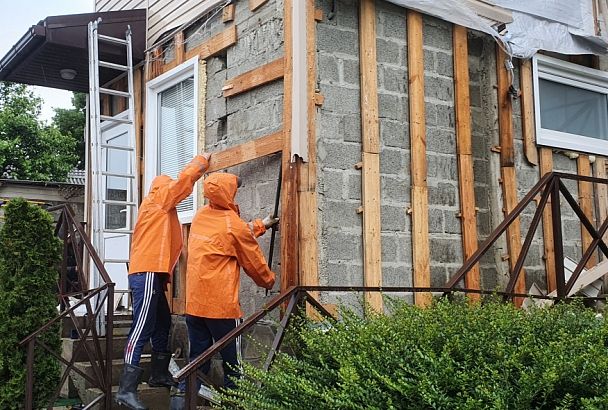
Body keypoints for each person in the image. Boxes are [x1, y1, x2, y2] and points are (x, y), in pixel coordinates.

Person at [170, 172, 278, 409]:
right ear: (229, 194)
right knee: (233, 365)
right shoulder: (233, 225)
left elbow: (231, 236)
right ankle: (234, 404)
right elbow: (253, 261)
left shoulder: (200, 217)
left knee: (197, 363)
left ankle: (179, 402)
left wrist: (262, 225)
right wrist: (269, 282)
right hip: (222, 310)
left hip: (195, 308)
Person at [115, 152, 211, 410]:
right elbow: (180, 186)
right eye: (168, 187)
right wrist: (201, 162)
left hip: (153, 275)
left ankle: (158, 374)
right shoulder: (158, 200)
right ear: (160, 188)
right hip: (146, 272)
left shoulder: (159, 207)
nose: (173, 192)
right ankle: (126, 389)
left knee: (162, 324)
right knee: (141, 328)